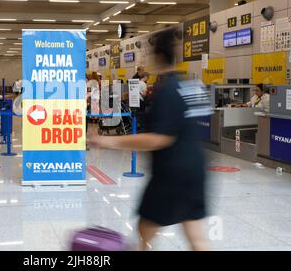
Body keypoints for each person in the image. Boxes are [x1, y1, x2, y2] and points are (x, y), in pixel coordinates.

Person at [89, 29, 212, 251]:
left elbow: (158, 139)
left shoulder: (167, 91)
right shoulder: (190, 86)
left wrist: (108, 142)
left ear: (157, 57)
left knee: (145, 229)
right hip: (196, 169)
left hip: (171, 173)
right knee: (195, 234)